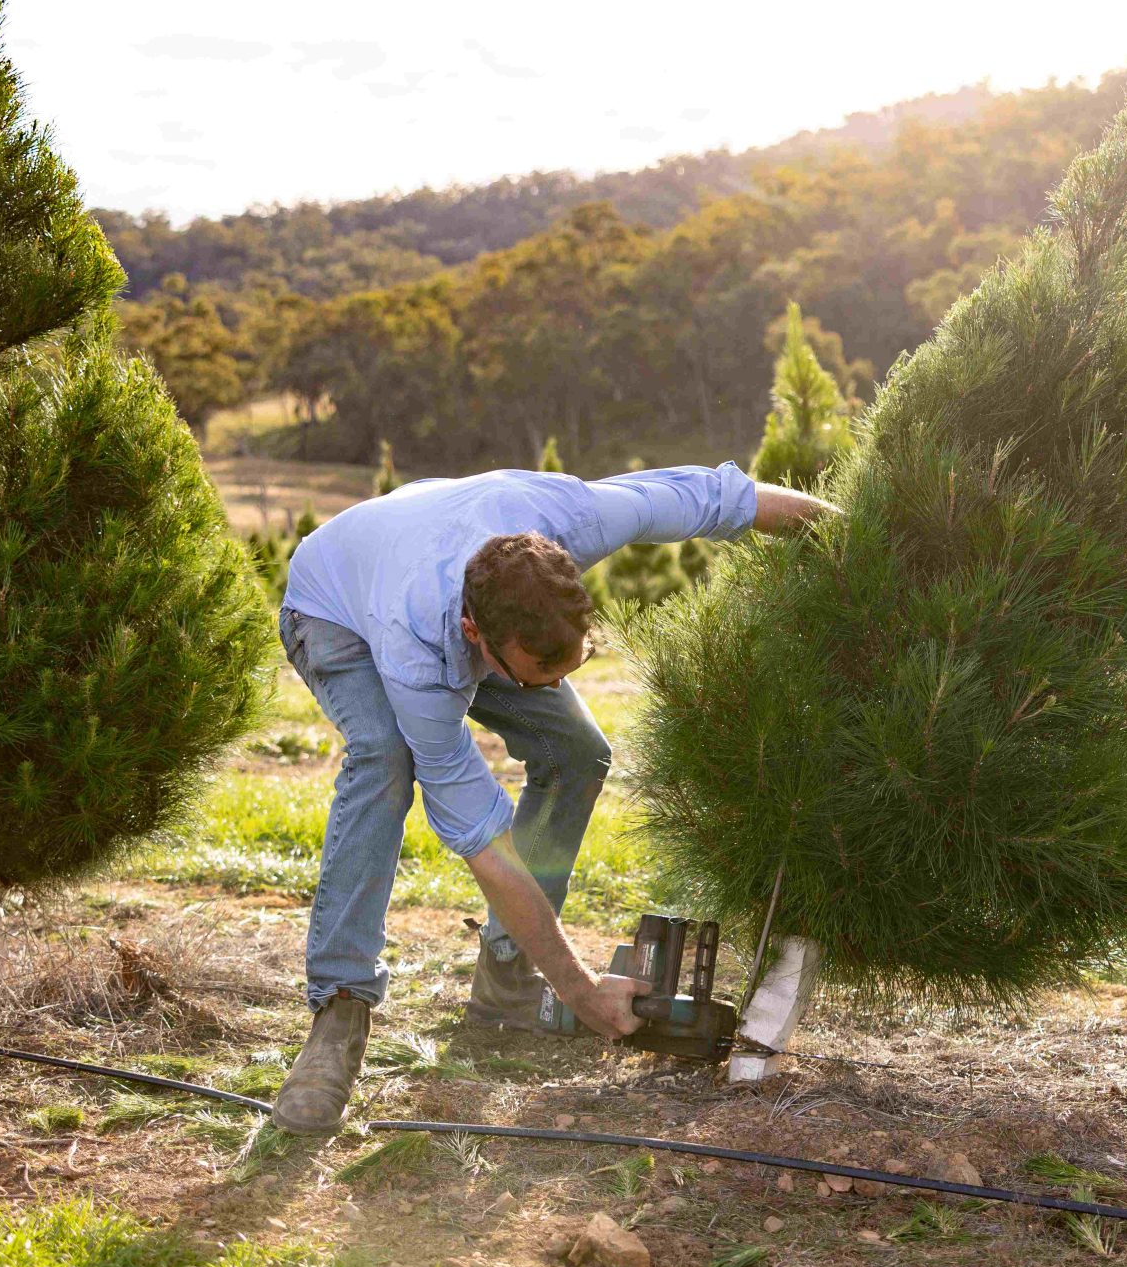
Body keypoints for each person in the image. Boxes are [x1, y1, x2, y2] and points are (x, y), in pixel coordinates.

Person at [270, 460, 835, 1130]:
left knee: (576, 750)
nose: (552, 685)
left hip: (430, 550)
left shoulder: (577, 517)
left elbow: (720, 498)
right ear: (479, 638)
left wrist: (853, 537)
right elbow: (484, 843)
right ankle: (340, 1008)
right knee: (386, 759)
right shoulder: (420, 650)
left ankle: (507, 982)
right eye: (540, 677)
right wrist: (583, 991)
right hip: (334, 605)